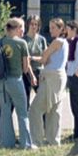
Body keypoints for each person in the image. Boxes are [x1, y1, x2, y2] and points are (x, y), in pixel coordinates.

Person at [0, 18, 35, 149]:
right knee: (22, 113)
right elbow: (25, 68)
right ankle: (26, 143)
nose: (23, 30)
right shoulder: (22, 43)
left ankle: (6, 143)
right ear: (17, 28)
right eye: (22, 27)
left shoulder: (0, 42)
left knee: (5, 112)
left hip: (0, 81)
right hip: (15, 80)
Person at [28, 18, 68, 146]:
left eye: (54, 28)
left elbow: (44, 58)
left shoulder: (57, 42)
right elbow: (47, 59)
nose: (51, 30)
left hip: (52, 77)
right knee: (54, 111)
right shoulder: (63, 42)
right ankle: (53, 140)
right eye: (50, 28)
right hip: (59, 76)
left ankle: (36, 140)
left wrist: (30, 57)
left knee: (35, 109)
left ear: (61, 29)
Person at [22, 15, 47, 104]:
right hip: (26, 72)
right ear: (28, 25)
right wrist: (32, 75)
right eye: (31, 24)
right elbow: (25, 59)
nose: (33, 26)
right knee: (25, 100)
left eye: (36, 24)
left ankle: (42, 118)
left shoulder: (42, 40)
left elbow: (45, 57)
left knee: (43, 99)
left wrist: (33, 58)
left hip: (39, 71)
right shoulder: (23, 40)